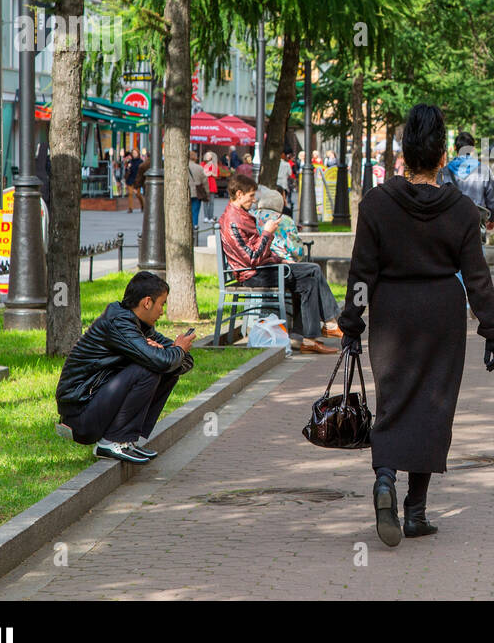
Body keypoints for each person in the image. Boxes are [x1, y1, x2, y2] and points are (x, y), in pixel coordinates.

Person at [338, 103, 494, 547]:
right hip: (442, 316)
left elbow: (361, 273)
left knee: (393, 399)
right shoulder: (462, 210)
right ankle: (415, 512)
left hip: (391, 312)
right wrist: (492, 329)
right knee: (434, 406)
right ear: (442, 156)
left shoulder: (376, 204)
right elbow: (476, 276)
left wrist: (352, 323)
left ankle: (384, 479)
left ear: (404, 154)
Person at [54, 271, 196, 464]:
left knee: (163, 368)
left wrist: (167, 351)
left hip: (96, 407)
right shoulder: (119, 323)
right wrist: (175, 350)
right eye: (162, 304)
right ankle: (112, 441)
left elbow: (183, 362)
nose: (162, 311)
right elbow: (164, 360)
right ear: (147, 302)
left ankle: (125, 439)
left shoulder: (141, 326)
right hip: (80, 415)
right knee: (149, 369)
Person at [218, 174, 339, 356]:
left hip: (262, 269)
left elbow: (260, 253)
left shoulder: (242, 216)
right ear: (240, 194)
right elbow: (251, 258)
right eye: (251, 196)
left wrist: (281, 260)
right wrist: (267, 233)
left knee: (308, 283)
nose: (254, 200)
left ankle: (307, 339)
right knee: (313, 269)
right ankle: (329, 322)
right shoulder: (233, 221)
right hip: (253, 274)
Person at [251, 185, 345, 340]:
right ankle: (326, 323)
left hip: (260, 267)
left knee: (308, 280)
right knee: (311, 274)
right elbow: (297, 252)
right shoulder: (283, 220)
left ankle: (316, 331)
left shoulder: (252, 217)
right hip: (279, 267)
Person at [438, 130, 494, 233]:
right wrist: (492, 218)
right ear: (472, 149)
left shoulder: (443, 172)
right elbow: (492, 199)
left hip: (450, 225)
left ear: (454, 148)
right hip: (476, 224)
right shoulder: (484, 170)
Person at [189, 151, 208, 229]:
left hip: (186, 191)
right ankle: (195, 227)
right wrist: (207, 192)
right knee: (195, 211)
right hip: (197, 192)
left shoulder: (183, 167)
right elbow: (205, 181)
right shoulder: (199, 168)